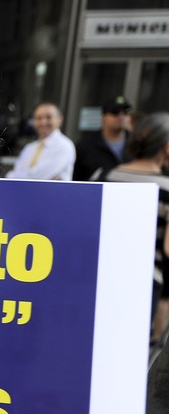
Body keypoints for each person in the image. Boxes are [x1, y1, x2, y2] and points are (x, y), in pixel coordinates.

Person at [90, 113, 169, 341]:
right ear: (165, 147)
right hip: (143, 285)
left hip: (101, 279)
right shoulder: (165, 188)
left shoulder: (107, 176)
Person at [5, 102, 75, 180]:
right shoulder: (29, 148)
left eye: (48, 117)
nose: (43, 122)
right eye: (38, 118)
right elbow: (14, 174)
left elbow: (38, 177)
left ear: (59, 119)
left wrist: (18, 177)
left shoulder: (64, 146)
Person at [73, 95, 134, 181]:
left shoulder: (137, 143)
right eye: (115, 112)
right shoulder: (85, 145)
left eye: (126, 112)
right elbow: (76, 179)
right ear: (103, 117)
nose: (121, 116)